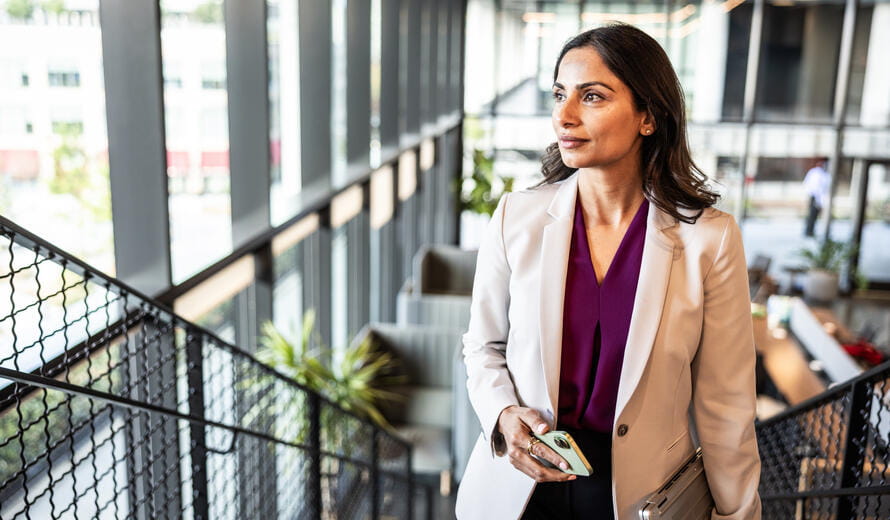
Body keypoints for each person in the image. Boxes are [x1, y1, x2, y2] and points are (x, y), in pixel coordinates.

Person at [456, 23, 761, 520]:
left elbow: (726, 406)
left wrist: (739, 514)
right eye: (559, 94)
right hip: (522, 490)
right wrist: (503, 415)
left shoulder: (710, 239)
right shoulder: (518, 217)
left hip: (642, 496)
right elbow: (482, 347)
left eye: (592, 96)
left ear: (648, 117)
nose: (565, 115)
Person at [803, 158, 830, 237]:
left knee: (814, 215)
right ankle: (809, 232)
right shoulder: (816, 173)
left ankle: (810, 231)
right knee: (812, 214)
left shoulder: (824, 173)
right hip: (814, 196)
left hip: (817, 196)